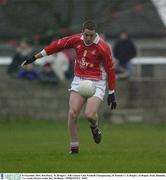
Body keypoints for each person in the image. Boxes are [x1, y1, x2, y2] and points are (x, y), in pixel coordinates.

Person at [21, 21, 117, 154]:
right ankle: (74, 148)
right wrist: (34, 57)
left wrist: (112, 92)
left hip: (97, 82)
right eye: (86, 35)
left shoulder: (103, 47)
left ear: (96, 34)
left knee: (89, 115)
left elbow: (110, 69)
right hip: (79, 80)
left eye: (92, 35)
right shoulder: (75, 39)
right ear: (82, 32)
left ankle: (94, 128)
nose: (89, 38)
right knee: (72, 113)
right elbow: (56, 46)